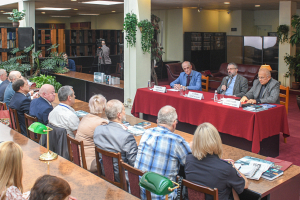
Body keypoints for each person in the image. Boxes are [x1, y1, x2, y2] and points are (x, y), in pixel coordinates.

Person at [134, 105, 191, 200]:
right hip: (162, 196)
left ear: (157, 121)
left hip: (139, 193)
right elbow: (190, 163)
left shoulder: (146, 133)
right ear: (174, 123)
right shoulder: (177, 141)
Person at [185, 122, 248, 200]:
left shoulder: (188, 160)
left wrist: (221, 162)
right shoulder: (226, 169)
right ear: (217, 140)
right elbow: (245, 185)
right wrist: (233, 166)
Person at [93, 99, 137, 182]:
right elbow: (134, 164)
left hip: (104, 172)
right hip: (122, 178)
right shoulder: (127, 137)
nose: (125, 112)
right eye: (124, 110)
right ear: (119, 115)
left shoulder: (98, 130)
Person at [75, 94, 108, 173]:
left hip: (78, 157)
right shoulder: (101, 123)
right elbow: (108, 142)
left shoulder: (85, 117)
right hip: (90, 161)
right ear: (104, 108)